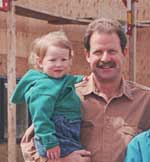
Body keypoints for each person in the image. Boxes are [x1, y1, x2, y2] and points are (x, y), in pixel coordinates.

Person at [19, 18, 150, 162]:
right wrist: (61, 161)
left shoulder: (145, 100)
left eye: (112, 51)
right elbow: (29, 145)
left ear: (124, 53)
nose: (105, 58)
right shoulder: (66, 94)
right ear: (87, 55)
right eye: (98, 52)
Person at [11, 31, 87, 161]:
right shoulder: (43, 88)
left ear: (69, 61)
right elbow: (41, 117)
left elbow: (69, 79)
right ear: (40, 62)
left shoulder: (59, 79)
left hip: (66, 130)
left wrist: (83, 79)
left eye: (63, 60)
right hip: (56, 135)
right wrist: (50, 142)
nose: (59, 64)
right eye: (53, 60)